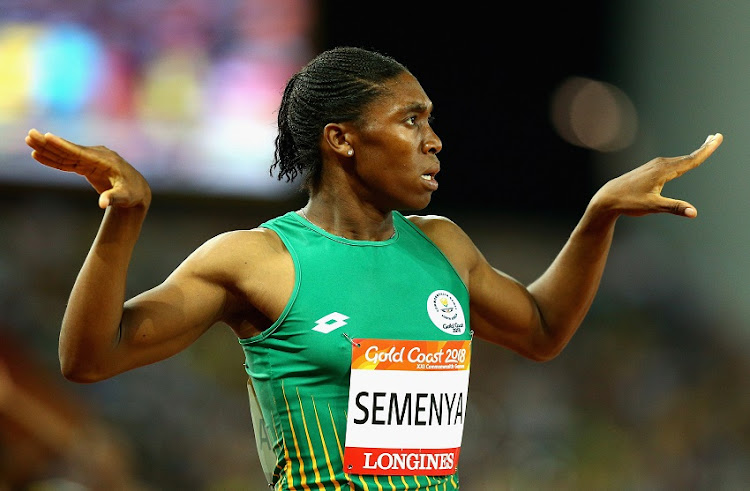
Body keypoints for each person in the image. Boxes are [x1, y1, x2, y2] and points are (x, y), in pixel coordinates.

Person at [24, 46, 723, 490]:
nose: (434, 140)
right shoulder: (256, 259)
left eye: (430, 121)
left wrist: (598, 215)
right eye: (411, 120)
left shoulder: (443, 245)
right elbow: (89, 357)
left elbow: (541, 328)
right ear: (342, 140)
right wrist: (123, 219)